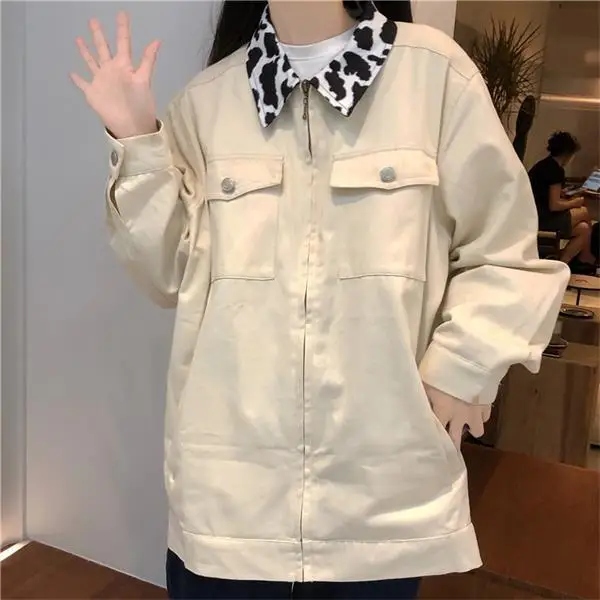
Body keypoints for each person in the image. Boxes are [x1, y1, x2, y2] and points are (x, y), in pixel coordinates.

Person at [72, 2, 569, 598]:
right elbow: (165, 274)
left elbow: (503, 252)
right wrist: (137, 141)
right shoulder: (207, 103)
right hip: (229, 507)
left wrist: (462, 368)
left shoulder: (435, 77)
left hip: (378, 509)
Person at [528, 131, 596, 267]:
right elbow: (554, 205)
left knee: (583, 229)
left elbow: (546, 194)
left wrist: (563, 193)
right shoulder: (555, 170)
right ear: (567, 154)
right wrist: (574, 202)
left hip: (535, 214)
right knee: (583, 211)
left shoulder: (542, 165)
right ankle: (586, 257)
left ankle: (561, 264)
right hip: (544, 218)